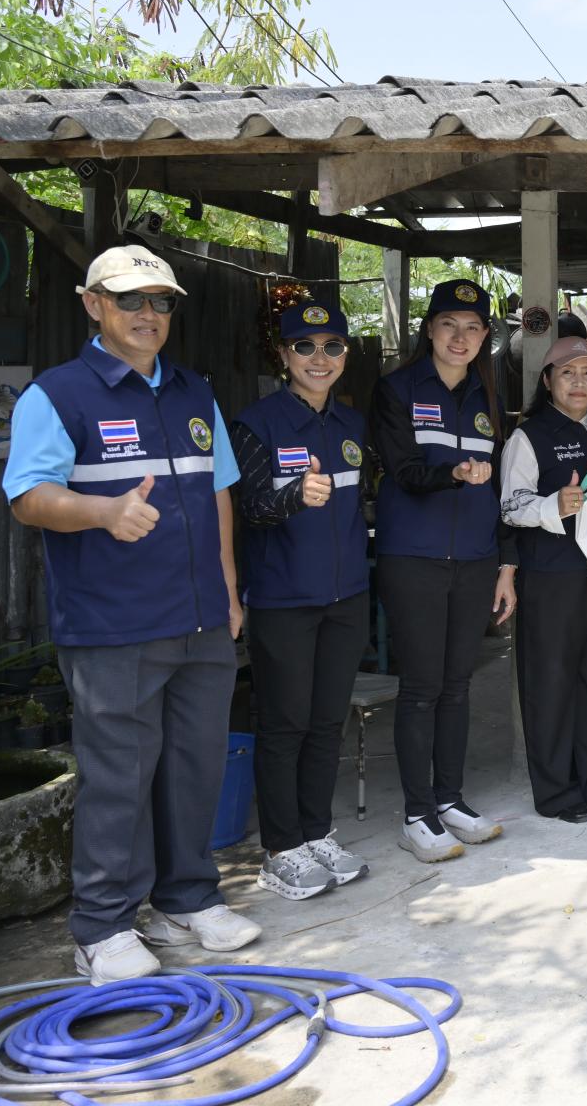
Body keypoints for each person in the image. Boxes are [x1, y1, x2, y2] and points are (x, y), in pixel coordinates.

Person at [4, 245, 261, 983]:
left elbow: (218, 491)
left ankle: (188, 899)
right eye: (130, 300)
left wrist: (229, 589)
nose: (148, 314)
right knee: (118, 776)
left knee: (194, 766)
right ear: (94, 305)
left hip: (201, 619)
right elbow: (28, 497)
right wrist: (103, 512)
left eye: (161, 301)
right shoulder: (56, 396)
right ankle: (103, 927)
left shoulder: (192, 391)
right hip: (112, 624)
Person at [371, 279, 515, 864]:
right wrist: (452, 473)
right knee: (422, 687)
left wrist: (506, 564)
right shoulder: (397, 389)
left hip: (476, 560)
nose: (461, 337)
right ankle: (416, 814)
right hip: (414, 557)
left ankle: (449, 799)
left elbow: (504, 492)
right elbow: (403, 470)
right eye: (449, 325)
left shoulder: (488, 399)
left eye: (473, 328)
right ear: (429, 329)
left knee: (458, 685)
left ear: (485, 338)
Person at [232, 300, 371, 901]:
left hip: (346, 597)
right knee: (285, 724)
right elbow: (247, 508)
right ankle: (280, 848)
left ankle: (317, 833)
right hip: (284, 599)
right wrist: (294, 496)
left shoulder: (351, 424)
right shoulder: (255, 424)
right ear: (284, 354)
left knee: (326, 722)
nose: (320, 358)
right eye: (305, 347)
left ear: (345, 354)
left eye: (332, 346)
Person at [500, 336, 587, 823]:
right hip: (552, 575)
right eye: (567, 372)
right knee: (551, 683)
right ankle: (557, 792)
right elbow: (510, 507)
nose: (579, 382)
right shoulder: (528, 437)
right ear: (547, 381)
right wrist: (552, 505)